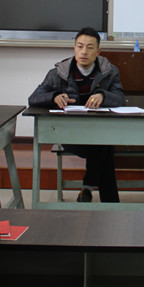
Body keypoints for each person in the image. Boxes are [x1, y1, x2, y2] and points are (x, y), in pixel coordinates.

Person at [28, 27, 125, 203]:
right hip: (69, 133)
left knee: (102, 144)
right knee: (104, 147)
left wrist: (103, 96)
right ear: (74, 48)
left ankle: (88, 191)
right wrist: (53, 97)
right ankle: (107, 202)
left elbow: (120, 99)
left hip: (99, 132)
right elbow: (33, 98)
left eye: (89, 47)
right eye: (80, 46)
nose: (84, 52)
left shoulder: (109, 72)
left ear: (98, 51)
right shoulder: (58, 73)